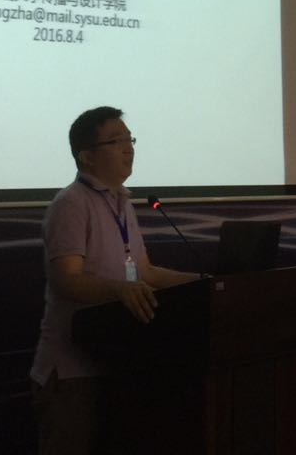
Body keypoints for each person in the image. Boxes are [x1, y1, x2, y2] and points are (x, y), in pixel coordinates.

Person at [29, 106, 197, 455]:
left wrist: (201, 282)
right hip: (72, 370)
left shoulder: (122, 202)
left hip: (116, 358)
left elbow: (144, 272)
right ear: (86, 156)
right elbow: (66, 280)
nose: (128, 148)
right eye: (116, 141)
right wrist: (119, 290)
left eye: (130, 139)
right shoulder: (71, 203)